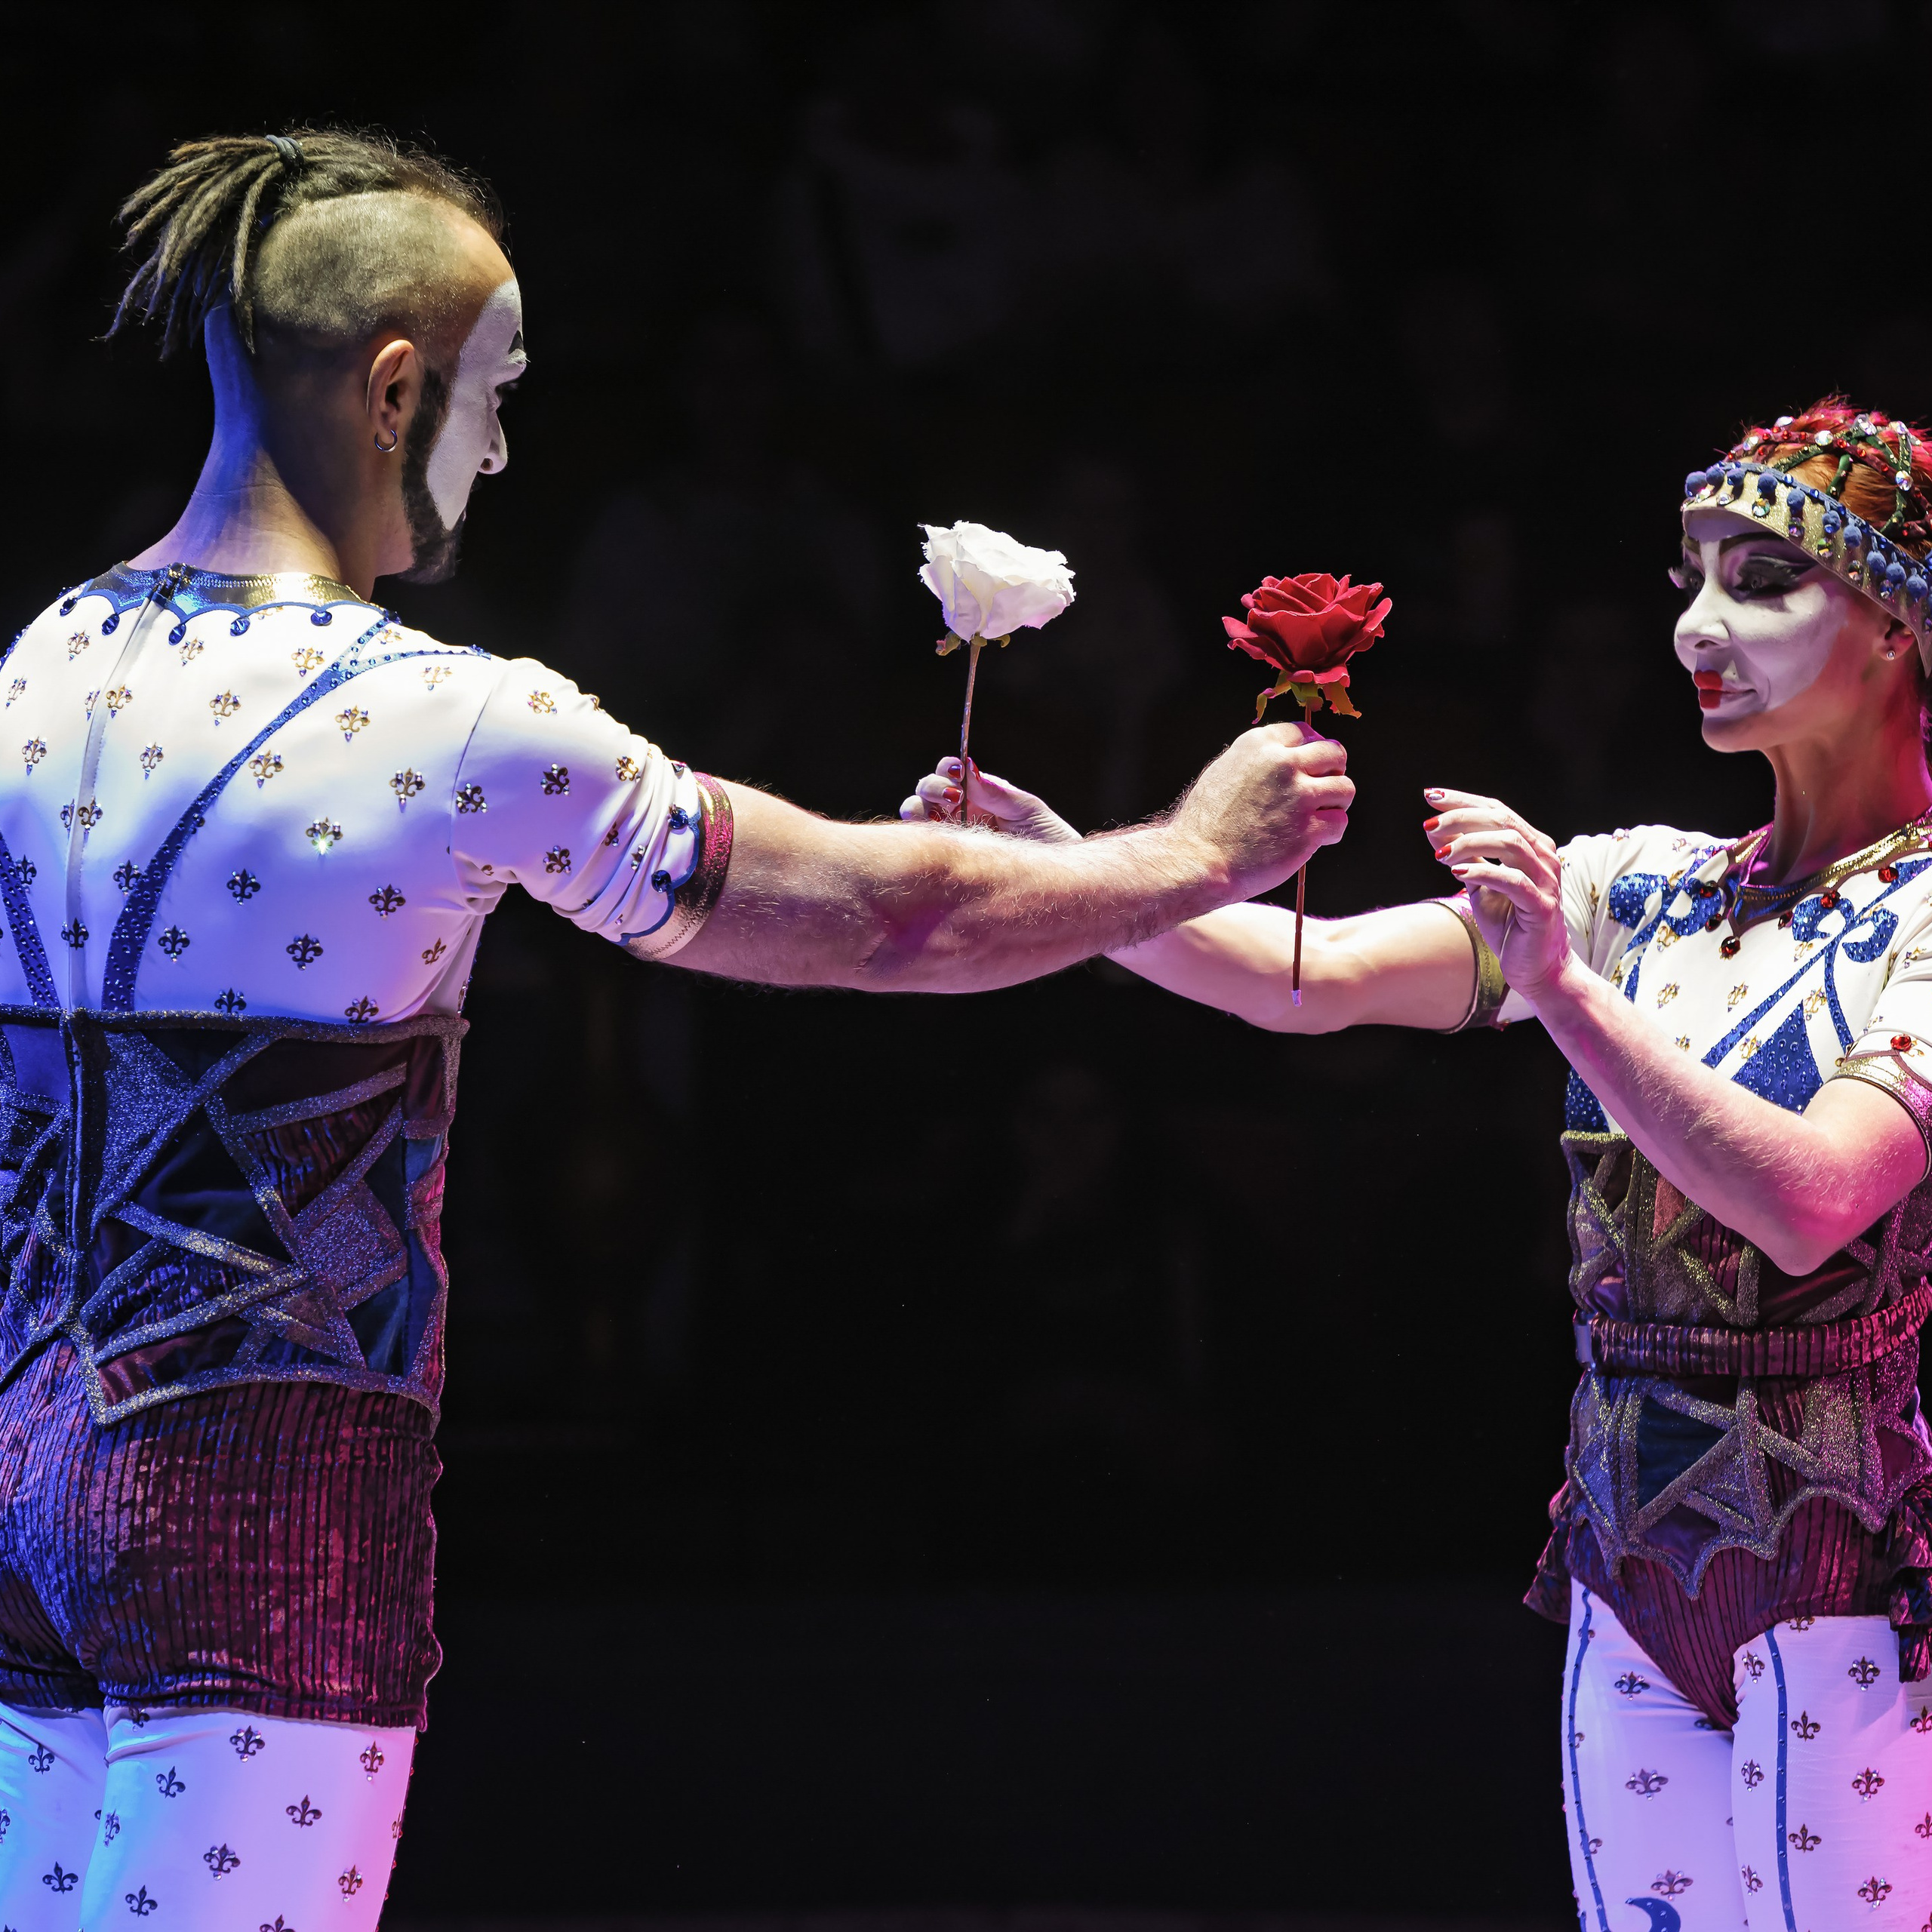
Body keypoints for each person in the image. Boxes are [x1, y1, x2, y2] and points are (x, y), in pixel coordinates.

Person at [0, 130, 1352, 1929]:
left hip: (27, 1468)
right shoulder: (439, 716)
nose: (499, 445)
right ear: (395, 385)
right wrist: (1190, 853)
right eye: (495, 393)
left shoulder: (40, 659)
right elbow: (890, 920)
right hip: (254, 1496)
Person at [906, 399, 1932, 1928]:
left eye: (1763, 580)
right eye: (1687, 580)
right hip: (1624, 1563)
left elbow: (1806, 1199)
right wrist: (1071, 867)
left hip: (1840, 1582)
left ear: (1900, 624)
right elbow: (1293, 976)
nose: (1698, 626)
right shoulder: (1629, 884)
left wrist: (1565, 993)